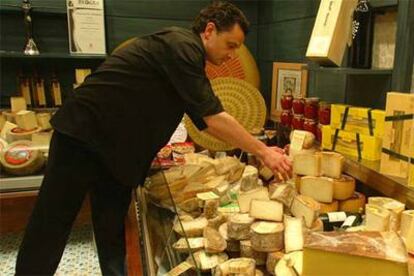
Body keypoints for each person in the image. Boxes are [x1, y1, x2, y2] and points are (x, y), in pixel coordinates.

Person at [15, 2, 292, 275]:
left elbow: (204, 119)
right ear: (209, 30)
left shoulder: (186, 55)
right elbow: (213, 117)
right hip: (82, 137)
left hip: (116, 152)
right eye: (230, 45)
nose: (232, 55)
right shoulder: (182, 46)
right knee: (51, 226)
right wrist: (264, 151)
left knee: (112, 230)